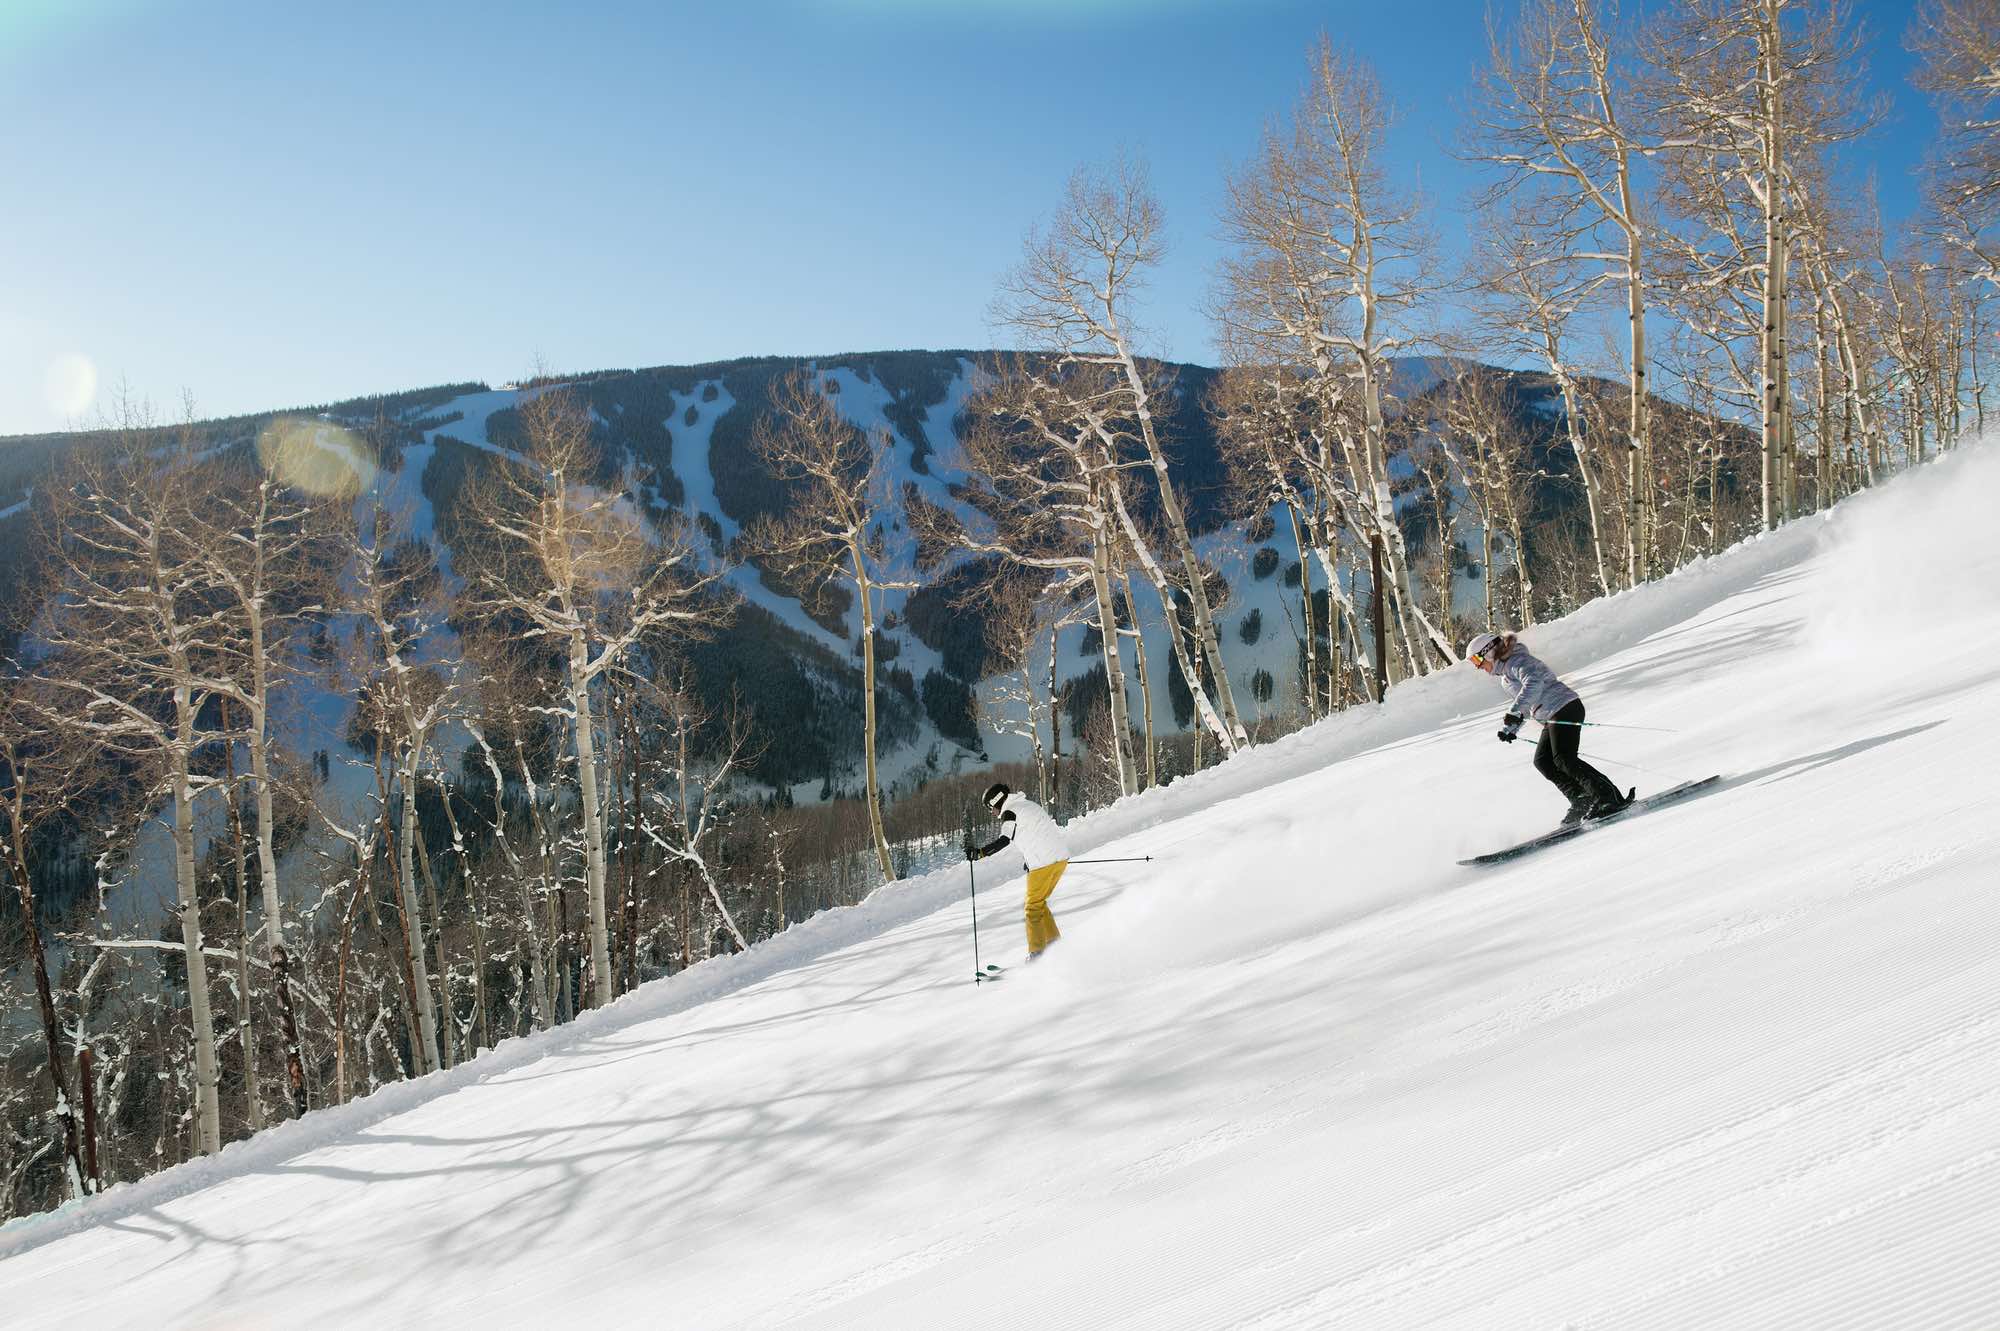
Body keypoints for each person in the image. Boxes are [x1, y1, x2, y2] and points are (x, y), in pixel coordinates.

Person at [1465, 630, 1631, 827]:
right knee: (1543, 761)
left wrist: (1514, 710)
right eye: (1473, 664)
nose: (1478, 667)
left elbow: (1533, 684)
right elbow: (1528, 703)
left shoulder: (1517, 661)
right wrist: (1512, 726)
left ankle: (1609, 798)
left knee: (1563, 759)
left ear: (1489, 651)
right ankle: (1581, 800)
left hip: (1564, 706)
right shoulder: (1506, 677)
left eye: (1477, 660)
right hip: (1552, 714)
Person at [964, 781, 1071, 958]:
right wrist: (1030, 860)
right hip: (1059, 859)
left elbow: (1005, 840)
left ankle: (1037, 954)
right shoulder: (1026, 805)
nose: (992, 812)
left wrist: (980, 853)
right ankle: (1054, 946)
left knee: (1032, 908)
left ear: (997, 801)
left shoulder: (1010, 812)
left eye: (990, 807)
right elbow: (1036, 833)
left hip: (1043, 863)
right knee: (1039, 903)